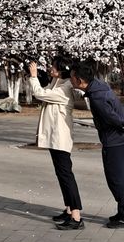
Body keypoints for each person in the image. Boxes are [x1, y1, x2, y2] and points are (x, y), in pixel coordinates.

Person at [28, 58, 84, 230]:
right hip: (55, 138)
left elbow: (40, 93)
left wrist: (33, 76)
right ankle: (69, 210)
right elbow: (47, 84)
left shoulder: (64, 88)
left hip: (60, 138)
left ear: (61, 71)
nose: (50, 68)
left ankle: (76, 216)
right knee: (62, 175)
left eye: (53, 67)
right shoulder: (57, 82)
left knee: (66, 176)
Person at [70, 60, 124, 227]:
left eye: (72, 77)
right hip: (116, 138)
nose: (70, 80)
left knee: (115, 179)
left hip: (114, 140)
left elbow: (114, 119)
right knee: (118, 177)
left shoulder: (97, 96)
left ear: (79, 80)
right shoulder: (98, 86)